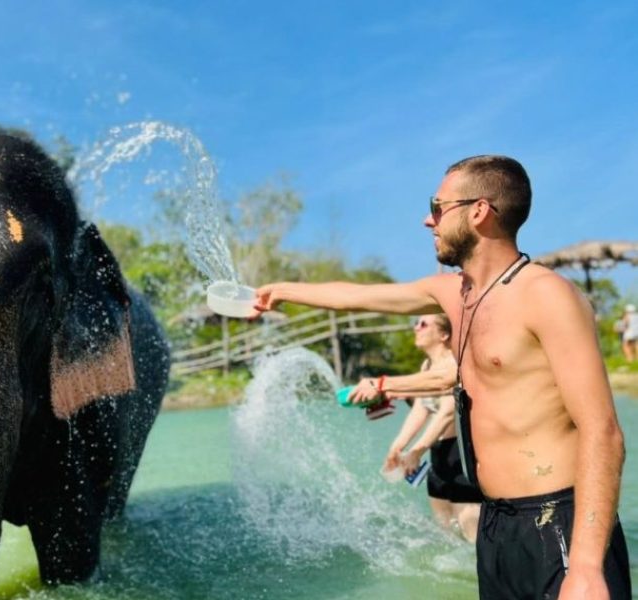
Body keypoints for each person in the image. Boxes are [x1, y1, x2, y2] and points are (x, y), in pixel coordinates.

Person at [253, 155, 630, 599]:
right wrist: (282, 291)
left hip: (558, 521)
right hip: (495, 524)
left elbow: (602, 431)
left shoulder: (546, 296)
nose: (426, 220)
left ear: (478, 211)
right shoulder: (454, 293)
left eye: (437, 207)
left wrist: (585, 567)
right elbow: (359, 296)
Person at [349, 313, 482, 542]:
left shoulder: (453, 364)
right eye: (415, 323)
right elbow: (421, 408)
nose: (416, 328)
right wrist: (398, 446)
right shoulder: (427, 366)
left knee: (471, 535)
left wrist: (416, 451)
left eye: (423, 324)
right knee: (447, 537)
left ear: (444, 334)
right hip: (438, 455)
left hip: (461, 456)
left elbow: (446, 414)